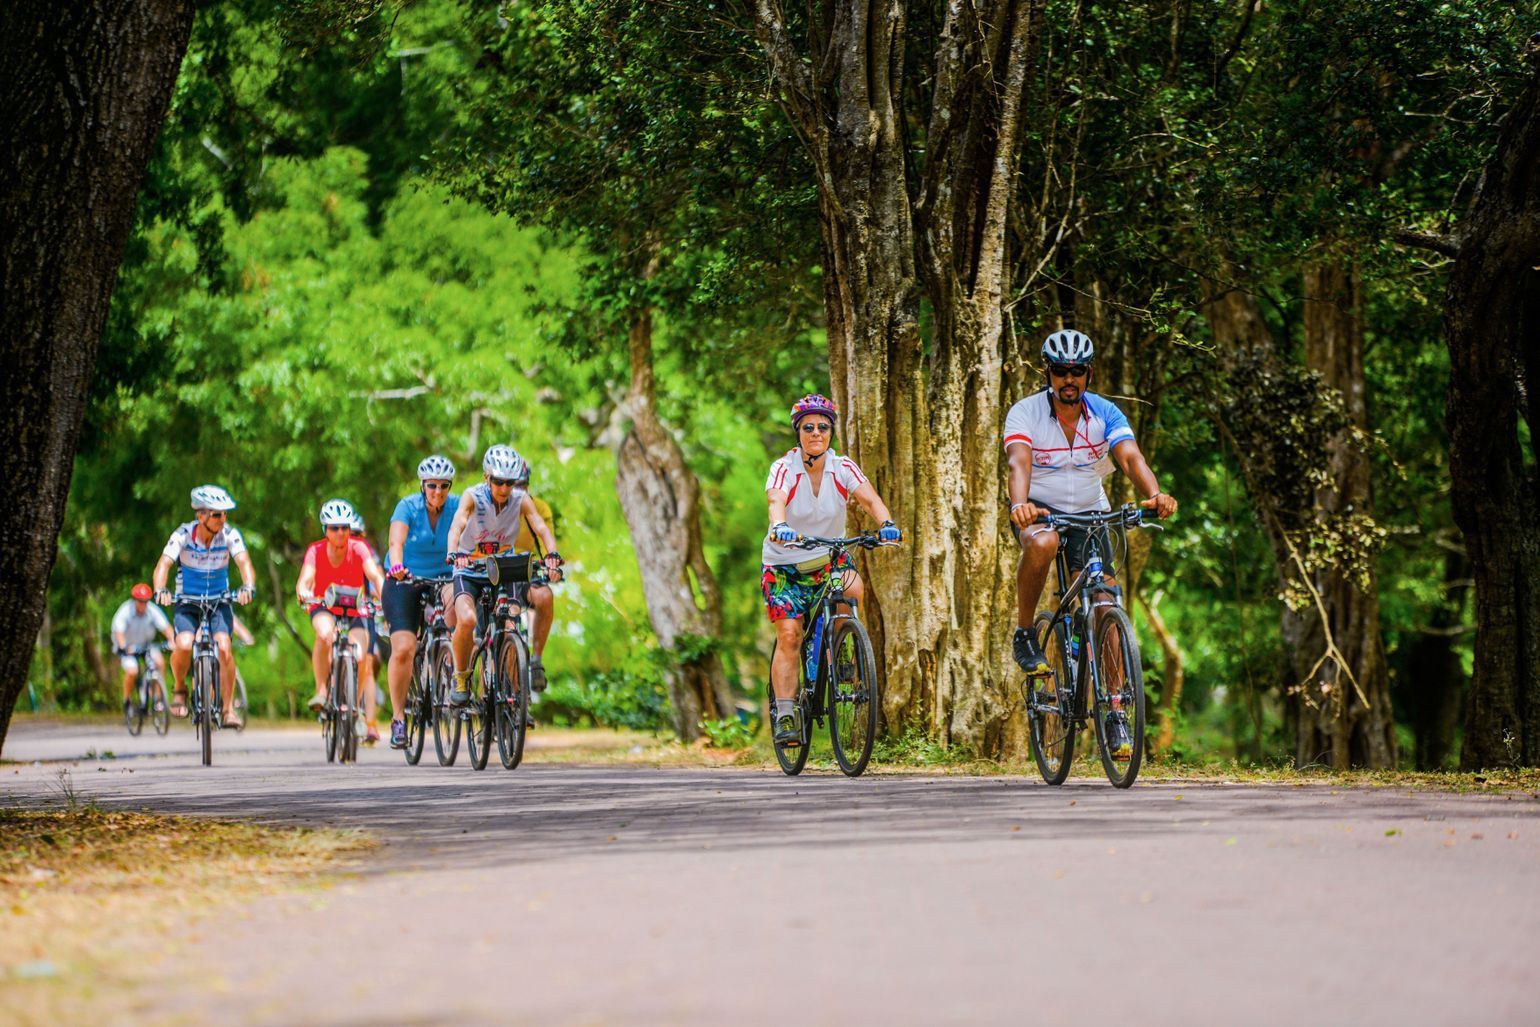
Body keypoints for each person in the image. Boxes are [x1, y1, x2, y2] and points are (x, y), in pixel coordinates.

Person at [1005, 330, 1177, 751]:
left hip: (1090, 511)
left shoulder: (1104, 413)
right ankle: (1026, 632)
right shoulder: (1025, 412)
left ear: (1088, 373)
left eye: (1077, 371)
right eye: (1061, 370)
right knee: (1043, 545)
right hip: (1040, 510)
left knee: (1106, 601)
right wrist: (1020, 504)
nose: (1069, 378)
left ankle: (1116, 710)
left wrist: (1153, 494)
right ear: (1048, 372)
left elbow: (1130, 457)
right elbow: (1018, 461)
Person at [762, 394, 901, 746]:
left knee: (852, 588)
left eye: (823, 427)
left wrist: (886, 523)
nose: (816, 433)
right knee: (790, 636)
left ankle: (841, 652)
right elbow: (776, 499)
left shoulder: (843, 467)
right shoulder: (784, 468)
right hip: (785, 565)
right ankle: (787, 713)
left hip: (828, 559)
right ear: (799, 432)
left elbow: (869, 499)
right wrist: (779, 524)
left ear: (831, 432)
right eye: (808, 427)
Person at [444, 445, 562, 706]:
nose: (505, 488)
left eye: (510, 482)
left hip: (502, 567)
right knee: (467, 618)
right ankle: (461, 676)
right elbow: (458, 524)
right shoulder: (472, 496)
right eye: (498, 482)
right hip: (470, 566)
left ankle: (514, 698)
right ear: (487, 477)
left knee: (511, 624)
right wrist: (454, 552)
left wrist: (552, 554)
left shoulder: (520, 499)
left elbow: (540, 527)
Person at [151, 484, 257, 726]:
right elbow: (163, 565)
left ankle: (228, 710)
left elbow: (244, 563)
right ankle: (179, 687)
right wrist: (160, 590)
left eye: (225, 514)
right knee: (184, 644)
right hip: (187, 602)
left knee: (224, 648)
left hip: (219, 601)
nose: (223, 519)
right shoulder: (182, 535)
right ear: (201, 515)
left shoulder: (230, 534)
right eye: (217, 514)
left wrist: (248, 586)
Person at [382, 455, 460, 750]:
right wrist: (397, 566)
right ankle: (399, 718)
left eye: (443, 486)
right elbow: (396, 543)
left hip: (444, 578)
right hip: (405, 578)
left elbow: (468, 539)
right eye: (431, 486)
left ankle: (454, 678)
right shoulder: (407, 507)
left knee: (459, 616)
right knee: (403, 648)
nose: (437, 492)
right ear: (422, 485)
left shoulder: (456, 507)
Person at [297, 499, 386, 724]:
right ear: (325, 530)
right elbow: (305, 579)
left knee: (360, 654)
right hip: (324, 605)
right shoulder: (315, 551)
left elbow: (375, 576)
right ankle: (321, 691)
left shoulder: (359, 548)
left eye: (344, 527)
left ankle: (354, 708)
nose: (340, 533)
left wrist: (386, 597)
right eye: (334, 528)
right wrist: (303, 591)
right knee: (325, 634)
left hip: (356, 608)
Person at [110, 583, 174, 721]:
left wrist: (173, 640)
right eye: (140, 601)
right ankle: (126, 701)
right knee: (132, 671)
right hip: (128, 647)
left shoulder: (152, 610)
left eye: (145, 601)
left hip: (146, 645)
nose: (143, 604)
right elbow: (119, 632)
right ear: (134, 600)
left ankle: (157, 700)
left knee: (159, 662)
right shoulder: (125, 611)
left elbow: (166, 628)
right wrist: (124, 646)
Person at [349, 511, 385, 743]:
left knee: (369, 664)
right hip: (336, 611)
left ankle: (370, 723)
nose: (347, 537)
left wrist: (383, 599)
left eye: (354, 533)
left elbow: (377, 576)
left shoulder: (365, 551)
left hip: (362, 610)